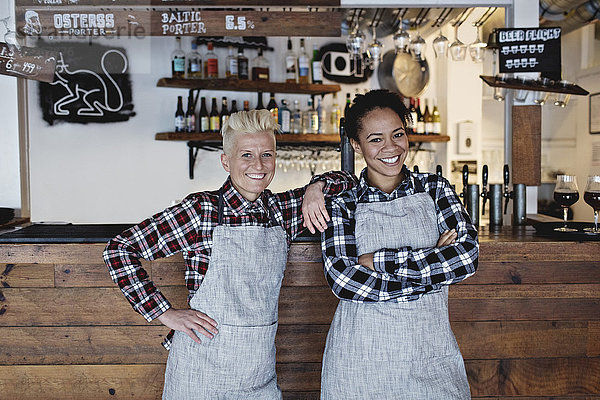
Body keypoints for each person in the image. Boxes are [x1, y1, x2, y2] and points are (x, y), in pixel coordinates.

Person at [103, 109, 354, 399]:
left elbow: (347, 181)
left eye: (267, 154)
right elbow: (119, 249)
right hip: (200, 372)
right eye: (246, 155)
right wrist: (164, 313)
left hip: (259, 375)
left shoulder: (283, 210)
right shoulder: (201, 210)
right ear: (226, 160)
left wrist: (316, 187)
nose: (258, 165)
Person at [320, 90, 478, 399]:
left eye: (398, 134)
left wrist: (377, 262)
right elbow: (343, 281)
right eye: (376, 139)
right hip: (360, 361)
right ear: (356, 144)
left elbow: (466, 258)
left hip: (430, 355)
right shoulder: (343, 203)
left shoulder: (435, 188)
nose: (391, 148)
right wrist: (431, 268)